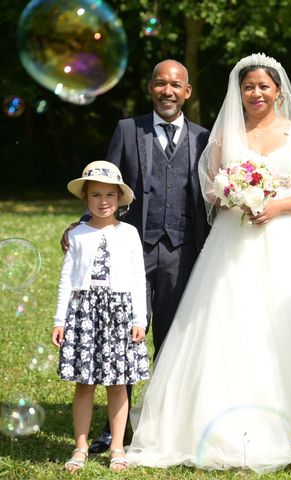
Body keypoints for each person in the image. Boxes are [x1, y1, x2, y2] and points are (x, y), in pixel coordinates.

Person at [125, 53, 291, 473]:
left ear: (278, 91)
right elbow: (209, 187)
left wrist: (276, 206)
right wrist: (232, 194)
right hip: (232, 242)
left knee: (289, 328)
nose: (255, 93)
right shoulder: (224, 133)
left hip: (287, 241)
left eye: (263, 86)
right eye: (248, 86)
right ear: (238, 92)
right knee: (230, 329)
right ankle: (218, 427)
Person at [62, 59, 211, 453]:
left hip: (183, 252)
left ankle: (163, 424)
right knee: (120, 337)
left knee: (174, 339)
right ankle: (116, 430)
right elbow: (106, 185)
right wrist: (81, 225)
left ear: (187, 92)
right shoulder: (129, 130)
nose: (168, 91)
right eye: (160, 83)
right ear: (150, 88)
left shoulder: (204, 138)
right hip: (129, 252)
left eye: (175, 85)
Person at [52, 161, 149, 473]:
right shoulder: (77, 234)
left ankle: (117, 446)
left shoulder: (129, 233)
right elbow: (67, 278)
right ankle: (80, 446)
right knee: (84, 383)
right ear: (85, 198)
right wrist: (60, 319)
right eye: (96, 195)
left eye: (110, 194)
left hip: (119, 313)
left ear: (120, 199)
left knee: (118, 383)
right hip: (83, 313)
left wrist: (139, 318)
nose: (103, 201)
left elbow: (137, 277)